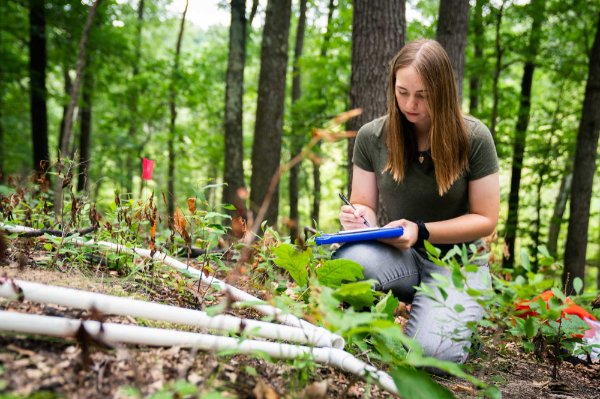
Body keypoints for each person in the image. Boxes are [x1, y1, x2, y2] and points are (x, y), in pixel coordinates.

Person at [334, 39, 500, 364]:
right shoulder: (372, 136)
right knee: (346, 264)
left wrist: (421, 230)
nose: (411, 104)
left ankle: (460, 319)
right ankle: (379, 326)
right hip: (401, 255)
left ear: (442, 91)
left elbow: (486, 219)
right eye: (402, 92)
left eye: (423, 95)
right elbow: (364, 202)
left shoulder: (475, 138)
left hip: (458, 265)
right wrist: (358, 217)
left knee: (432, 356)